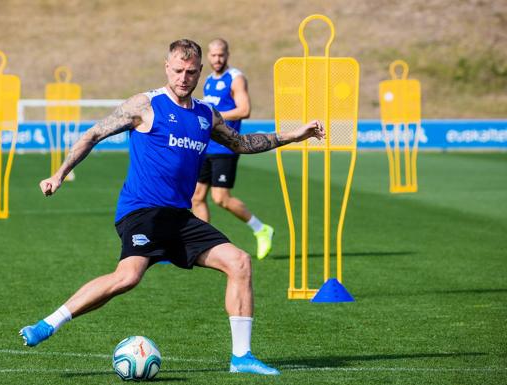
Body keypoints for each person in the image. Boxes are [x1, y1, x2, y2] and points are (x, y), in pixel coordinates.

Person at [19, 39, 324, 376]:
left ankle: (242, 357)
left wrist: (293, 136)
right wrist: (59, 174)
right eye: (178, 70)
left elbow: (243, 143)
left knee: (239, 262)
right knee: (128, 277)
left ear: (200, 73)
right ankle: (48, 324)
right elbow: (94, 133)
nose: (183, 77)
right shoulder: (146, 105)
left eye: (191, 72)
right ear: (167, 67)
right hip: (143, 212)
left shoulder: (206, 115)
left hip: (180, 218)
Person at [192, 38, 274, 260]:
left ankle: (260, 228)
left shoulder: (235, 78)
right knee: (197, 197)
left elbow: (244, 109)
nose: (217, 59)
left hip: (225, 147)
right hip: (206, 146)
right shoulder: (208, 80)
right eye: (213, 55)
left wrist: (213, 116)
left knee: (221, 198)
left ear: (227, 55)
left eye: (221, 55)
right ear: (208, 56)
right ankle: (199, 243)